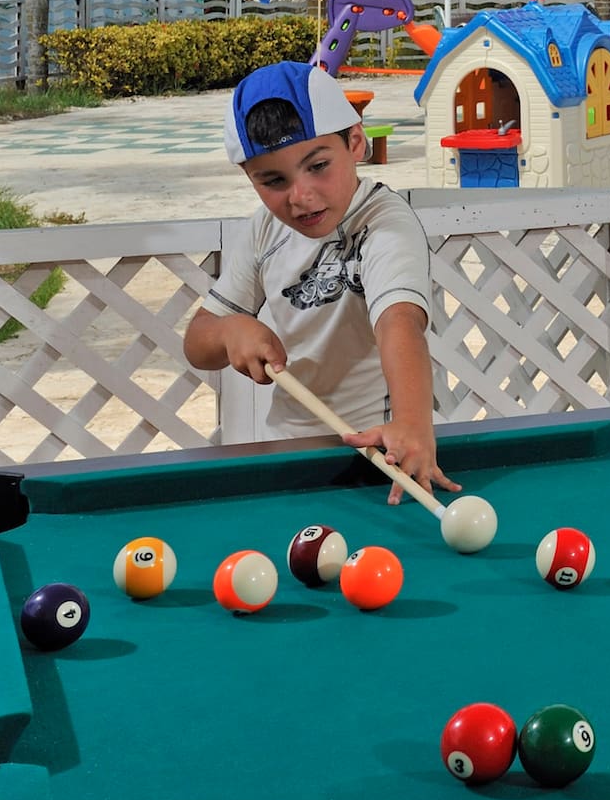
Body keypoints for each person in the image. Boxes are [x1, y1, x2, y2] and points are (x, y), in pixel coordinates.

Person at [183, 61, 458, 504]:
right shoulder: (263, 231)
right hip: (288, 455)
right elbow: (197, 343)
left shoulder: (385, 223)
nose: (300, 196)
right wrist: (230, 330)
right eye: (273, 180)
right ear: (249, 179)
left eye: (318, 166)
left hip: (381, 455)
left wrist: (411, 425)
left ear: (355, 141)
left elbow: (399, 322)